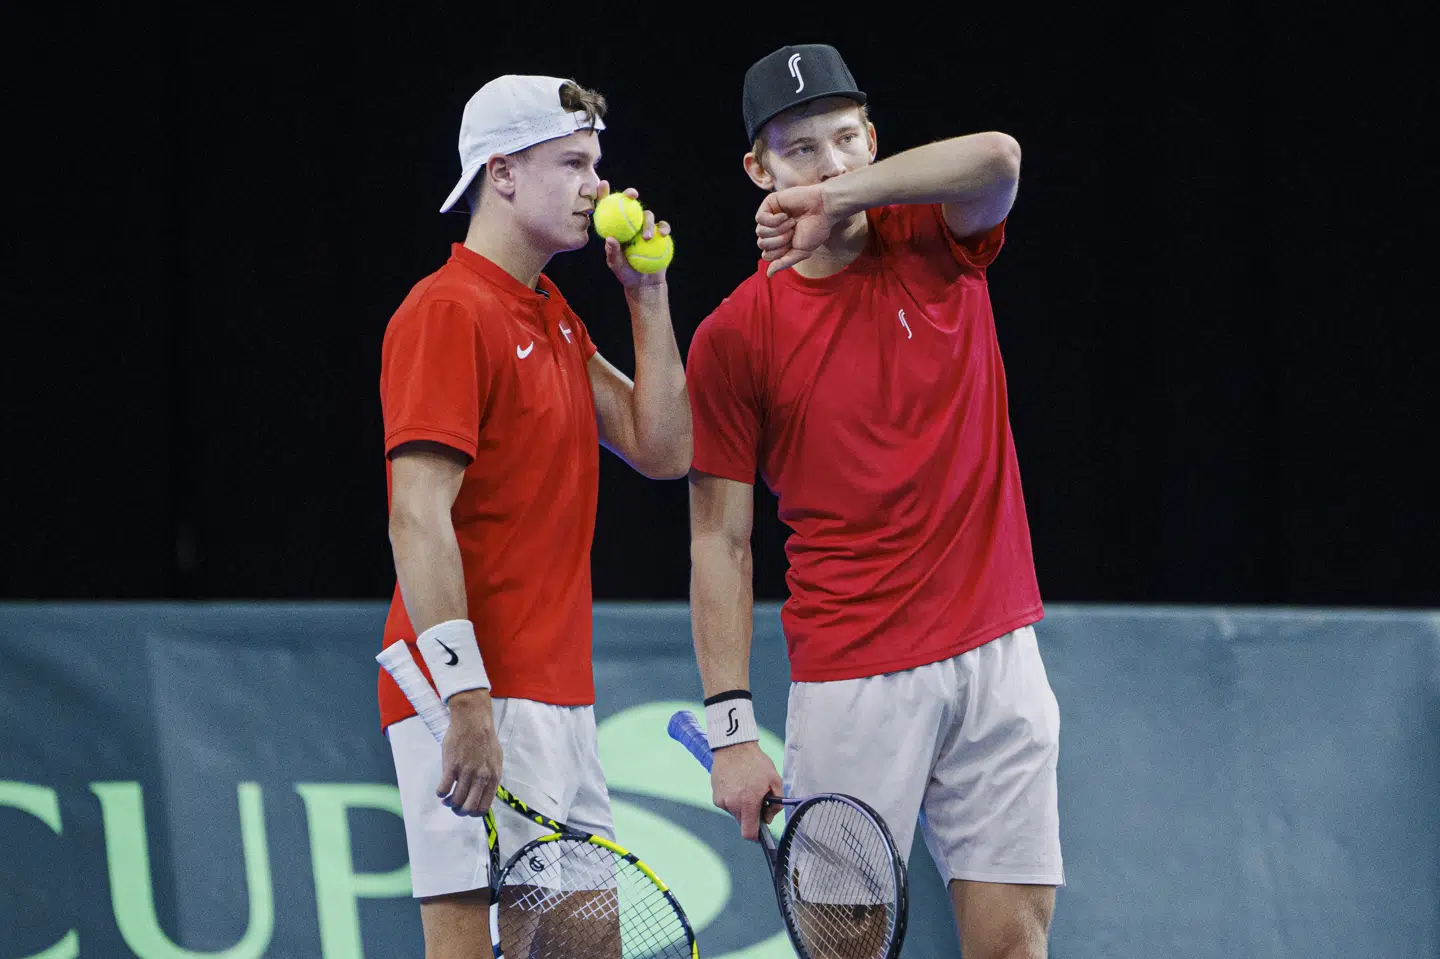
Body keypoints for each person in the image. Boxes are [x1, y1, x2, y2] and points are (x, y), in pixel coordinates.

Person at [685, 44, 1062, 959]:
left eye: (847, 140)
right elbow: (719, 543)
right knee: (844, 947)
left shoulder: (939, 237)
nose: (831, 164)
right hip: (854, 676)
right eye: (801, 150)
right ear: (757, 170)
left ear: (875, 141)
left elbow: (1001, 157)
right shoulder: (735, 335)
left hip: (997, 655)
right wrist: (731, 729)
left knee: (1014, 946)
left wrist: (840, 197)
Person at [378, 74, 690, 958]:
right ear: (502, 172)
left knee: (583, 953)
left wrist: (647, 296)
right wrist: (463, 691)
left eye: (597, 162)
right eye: (575, 162)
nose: (600, 185)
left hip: (557, 695)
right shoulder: (446, 311)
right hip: (468, 690)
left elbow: (661, 447)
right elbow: (416, 515)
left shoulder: (552, 315)